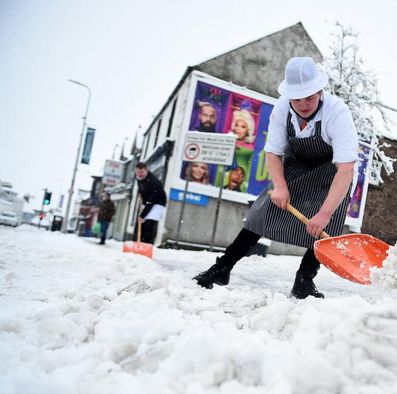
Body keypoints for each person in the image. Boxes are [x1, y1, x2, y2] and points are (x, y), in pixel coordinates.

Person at [194, 57, 359, 299]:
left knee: (327, 223)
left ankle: (304, 280)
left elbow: (345, 169)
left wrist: (323, 214)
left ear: (320, 91)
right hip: (296, 163)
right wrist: (280, 186)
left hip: (332, 171)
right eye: (297, 98)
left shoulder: (337, 113)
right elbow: (273, 152)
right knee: (262, 213)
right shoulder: (282, 109)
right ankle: (222, 267)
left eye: (309, 97)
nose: (303, 104)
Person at [134, 162, 167, 244]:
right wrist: (140, 192)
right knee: (140, 224)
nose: (140, 174)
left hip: (158, 203)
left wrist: (142, 216)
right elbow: (141, 186)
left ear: (146, 171)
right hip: (148, 202)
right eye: (138, 172)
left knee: (149, 224)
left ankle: (147, 244)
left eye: (142, 172)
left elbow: (151, 201)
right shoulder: (139, 178)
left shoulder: (153, 182)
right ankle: (138, 242)